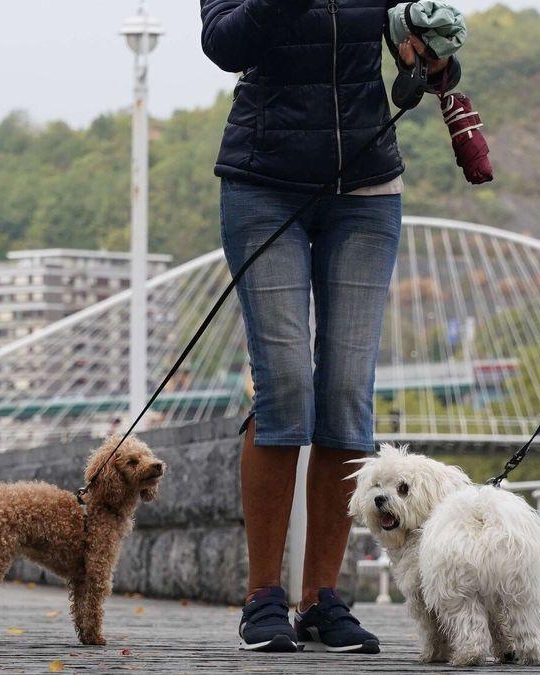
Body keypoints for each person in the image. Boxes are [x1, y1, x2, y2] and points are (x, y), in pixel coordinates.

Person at [199, 0, 459, 655]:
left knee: (346, 390)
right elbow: (223, 42)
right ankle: (263, 596)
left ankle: (321, 598)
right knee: (285, 384)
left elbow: (415, 41)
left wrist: (432, 58)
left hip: (366, 188)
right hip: (263, 182)